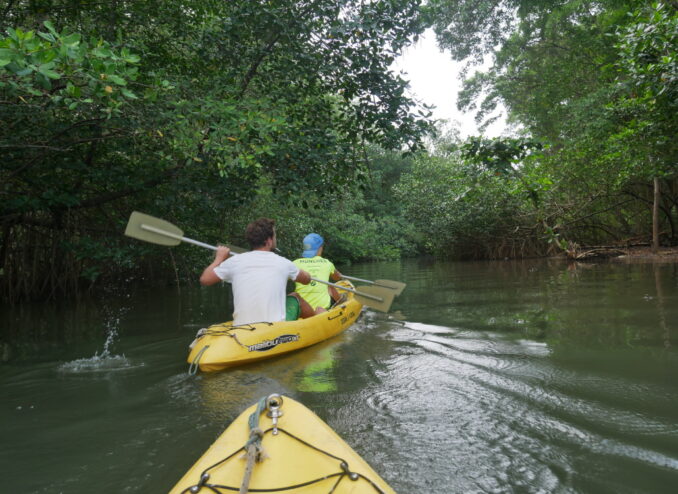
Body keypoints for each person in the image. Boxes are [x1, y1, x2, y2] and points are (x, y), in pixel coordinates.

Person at [199, 218, 311, 325]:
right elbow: (306, 280)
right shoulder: (284, 263)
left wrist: (219, 258)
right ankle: (318, 320)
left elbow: (205, 279)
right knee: (295, 296)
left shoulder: (235, 261)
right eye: (274, 236)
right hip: (274, 330)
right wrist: (305, 273)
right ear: (269, 241)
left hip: (242, 328)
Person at [289, 233, 342, 318]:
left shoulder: (294, 263)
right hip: (320, 311)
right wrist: (339, 275)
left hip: (303, 311)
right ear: (320, 248)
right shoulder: (327, 263)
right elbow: (337, 278)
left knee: (328, 286)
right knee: (329, 286)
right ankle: (343, 305)